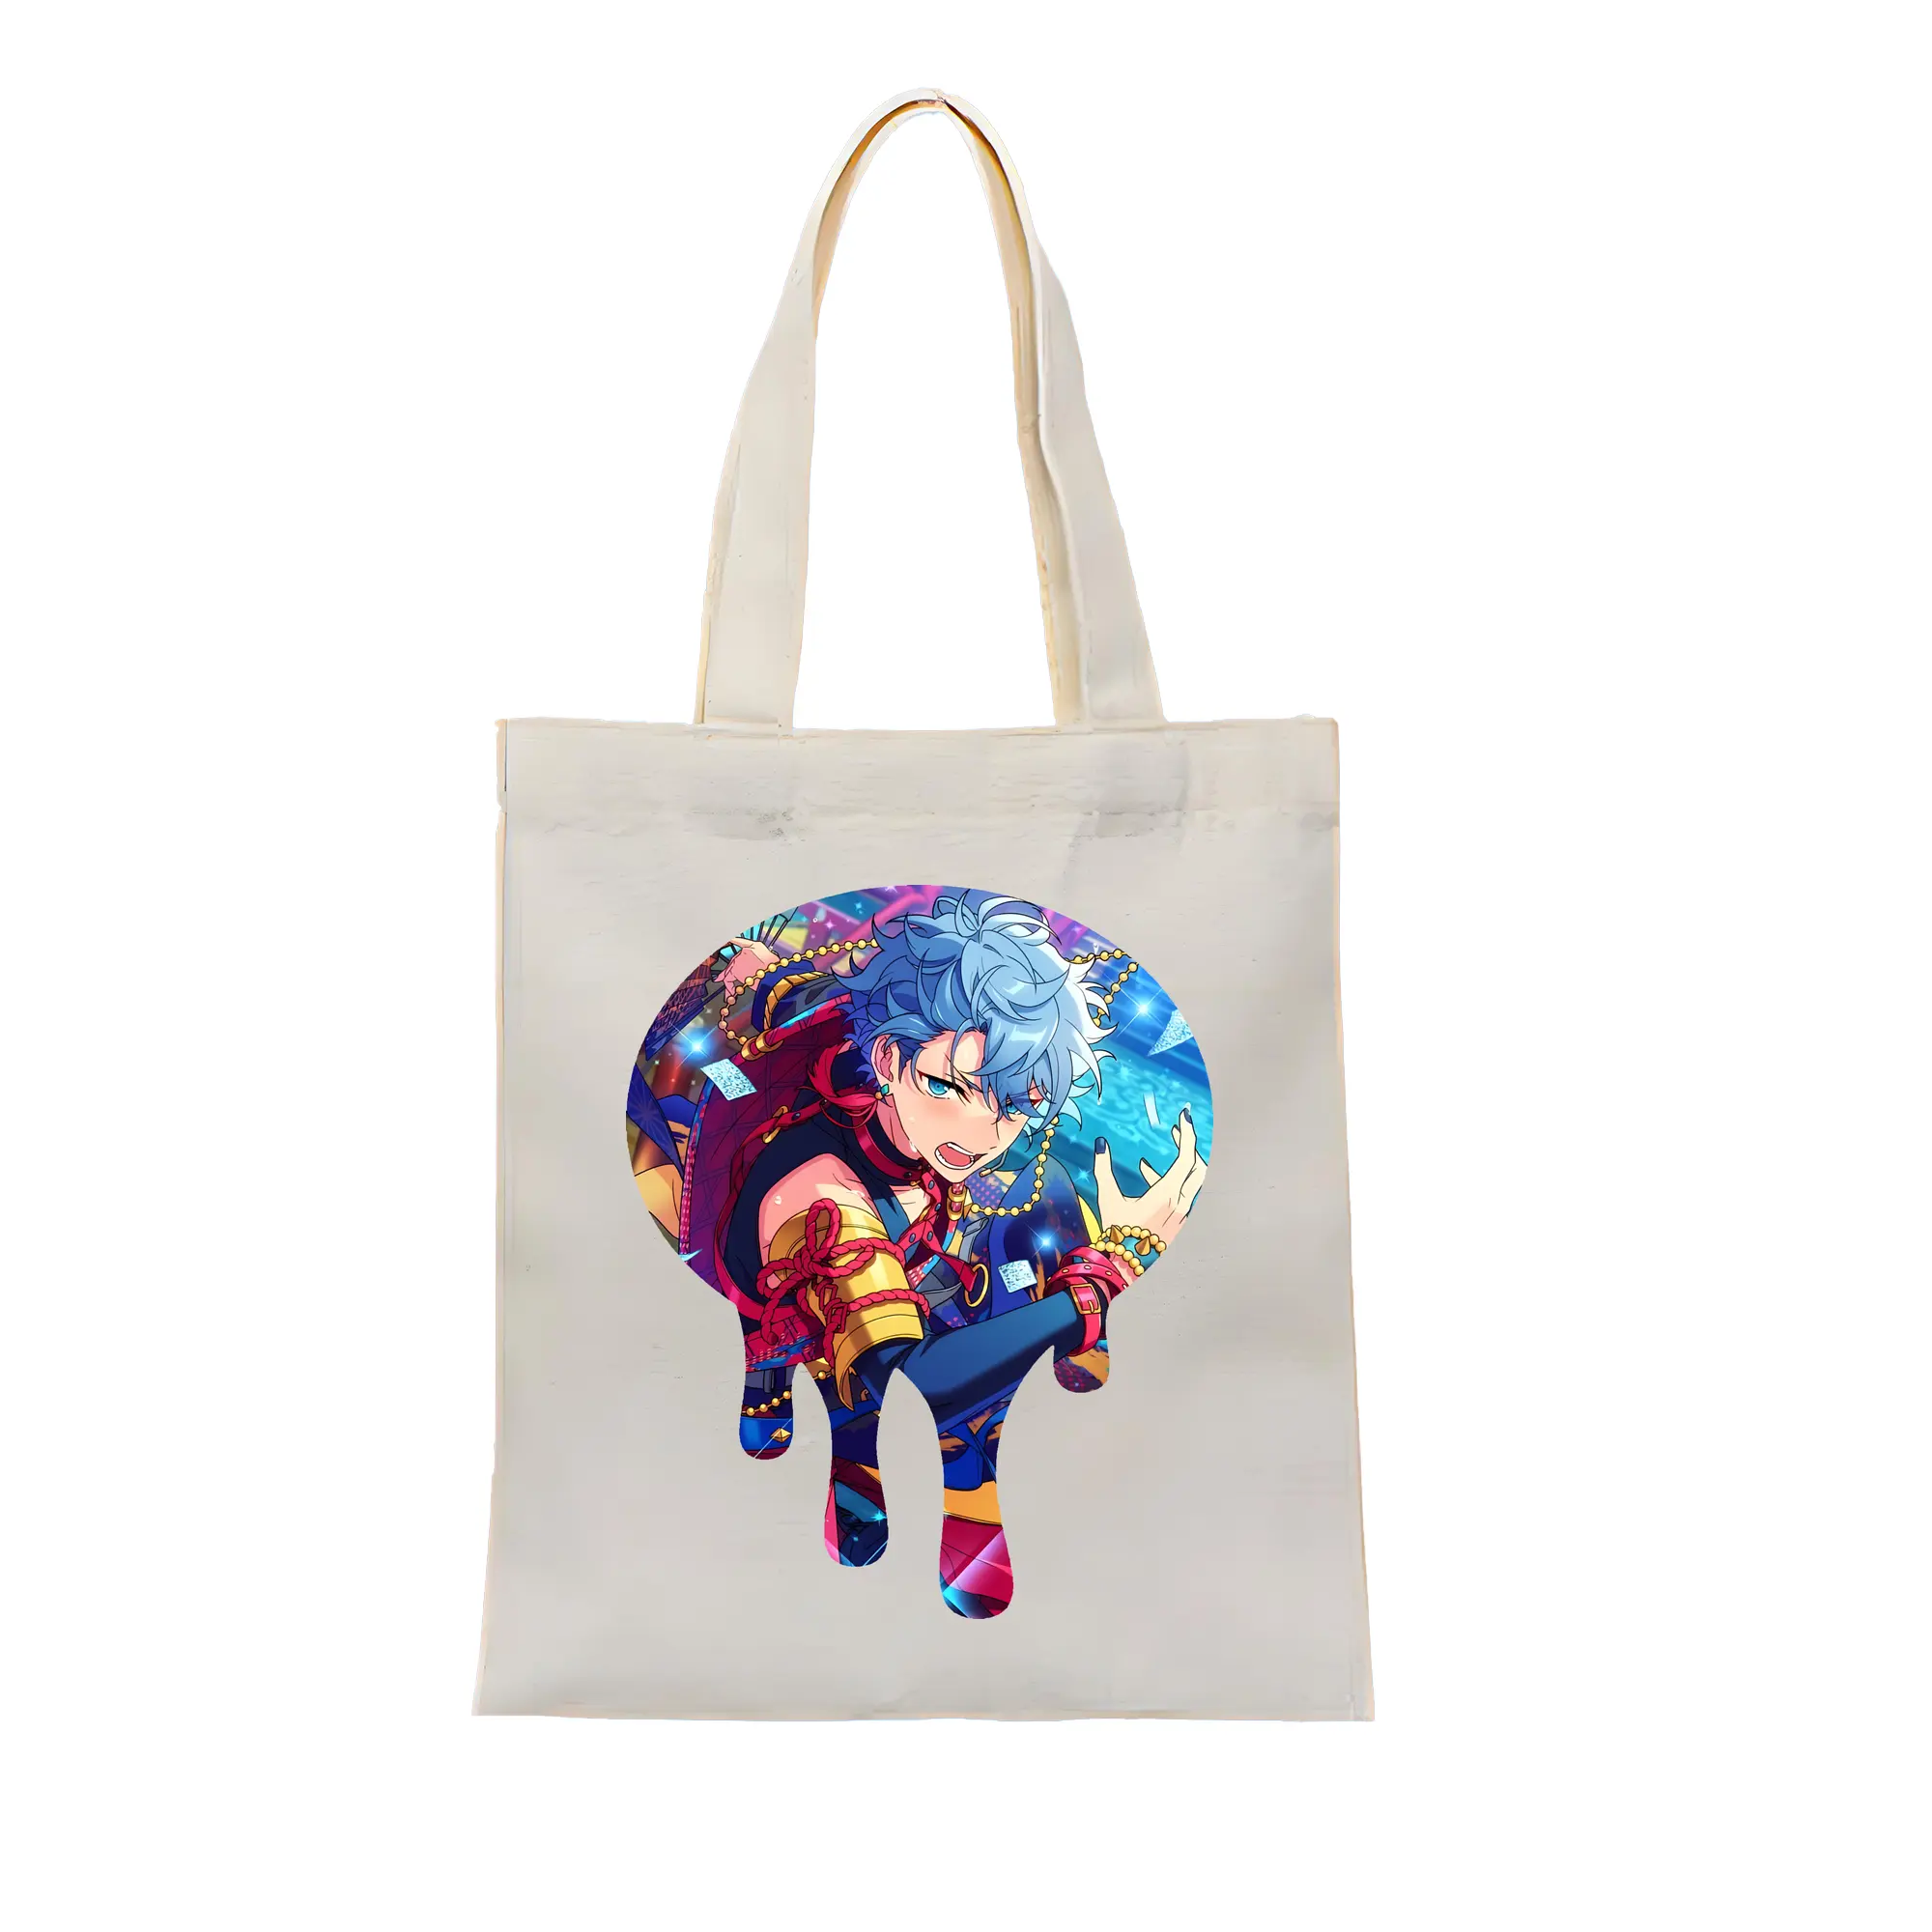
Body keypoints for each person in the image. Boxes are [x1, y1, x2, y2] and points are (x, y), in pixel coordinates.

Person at [629, 889, 1207, 1617]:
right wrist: (1113, 1265)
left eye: (1016, 1106)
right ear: (887, 1058)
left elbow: (812, 996)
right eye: (947, 1088)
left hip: (867, 1229)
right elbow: (938, 1375)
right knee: (880, 1355)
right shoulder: (824, 1198)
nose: (980, 1133)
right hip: (802, 1246)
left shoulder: (903, 1113)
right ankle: (795, 1390)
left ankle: (810, 1414)